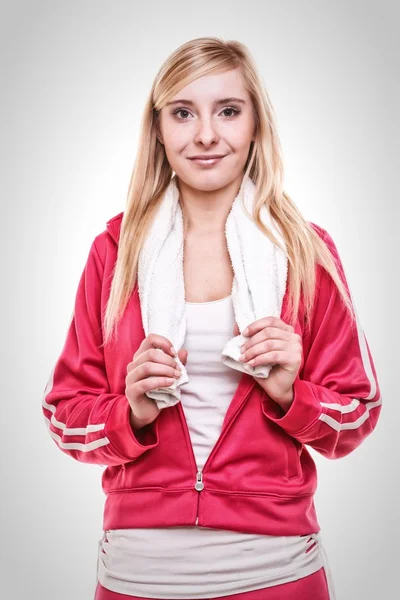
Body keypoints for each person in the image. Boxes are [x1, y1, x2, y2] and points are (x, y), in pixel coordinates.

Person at [42, 37, 382, 600]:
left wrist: (291, 393)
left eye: (228, 111)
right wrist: (131, 412)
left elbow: (358, 414)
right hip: (135, 576)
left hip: (278, 574)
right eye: (183, 112)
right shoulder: (115, 251)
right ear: (157, 129)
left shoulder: (307, 252)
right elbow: (64, 415)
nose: (205, 135)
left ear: (255, 126)